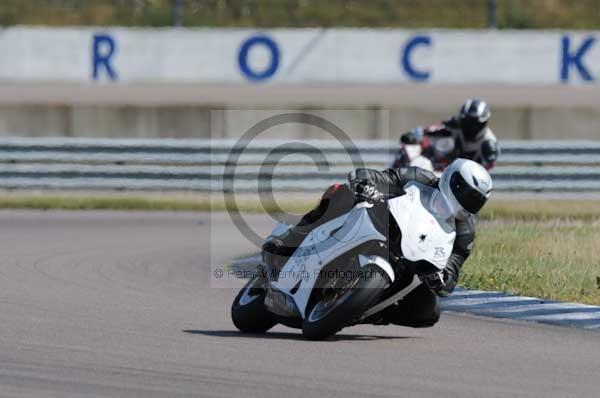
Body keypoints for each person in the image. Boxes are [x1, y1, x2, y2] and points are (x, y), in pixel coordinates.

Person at [263, 159, 492, 328]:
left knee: (428, 313)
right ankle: (292, 239)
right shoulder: (420, 177)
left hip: (408, 263)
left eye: (475, 200)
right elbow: (385, 178)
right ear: (452, 179)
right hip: (379, 223)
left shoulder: (465, 232)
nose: (466, 201)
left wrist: (441, 279)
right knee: (339, 193)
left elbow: (453, 266)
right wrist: (366, 183)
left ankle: (371, 310)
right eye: (466, 193)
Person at [392, 98, 499, 171]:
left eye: (472, 122)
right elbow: (434, 129)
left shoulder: (489, 145)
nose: (468, 126)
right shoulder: (457, 125)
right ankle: (393, 179)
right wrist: (417, 135)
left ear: (483, 123)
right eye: (465, 121)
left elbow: (484, 173)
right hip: (448, 169)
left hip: (468, 181)